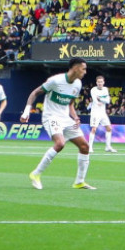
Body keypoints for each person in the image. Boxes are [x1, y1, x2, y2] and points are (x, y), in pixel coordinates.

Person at [20, 58, 94, 190]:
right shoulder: (55, 81)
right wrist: (26, 111)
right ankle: (36, 174)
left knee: (84, 146)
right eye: (83, 68)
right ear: (75, 68)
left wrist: (75, 117)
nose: (85, 72)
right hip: (51, 117)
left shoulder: (77, 84)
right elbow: (35, 93)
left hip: (65, 118)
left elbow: (70, 103)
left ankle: (79, 182)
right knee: (60, 143)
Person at [87, 74, 116, 153]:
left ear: (103, 82)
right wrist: (99, 100)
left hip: (103, 113)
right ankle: (89, 147)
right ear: (96, 82)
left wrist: (100, 99)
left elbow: (108, 101)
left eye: (101, 82)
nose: (100, 83)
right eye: (98, 82)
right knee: (94, 129)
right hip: (95, 112)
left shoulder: (105, 89)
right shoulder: (93, 90)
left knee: (109, 128)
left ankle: (108, 147)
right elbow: (95, 99)